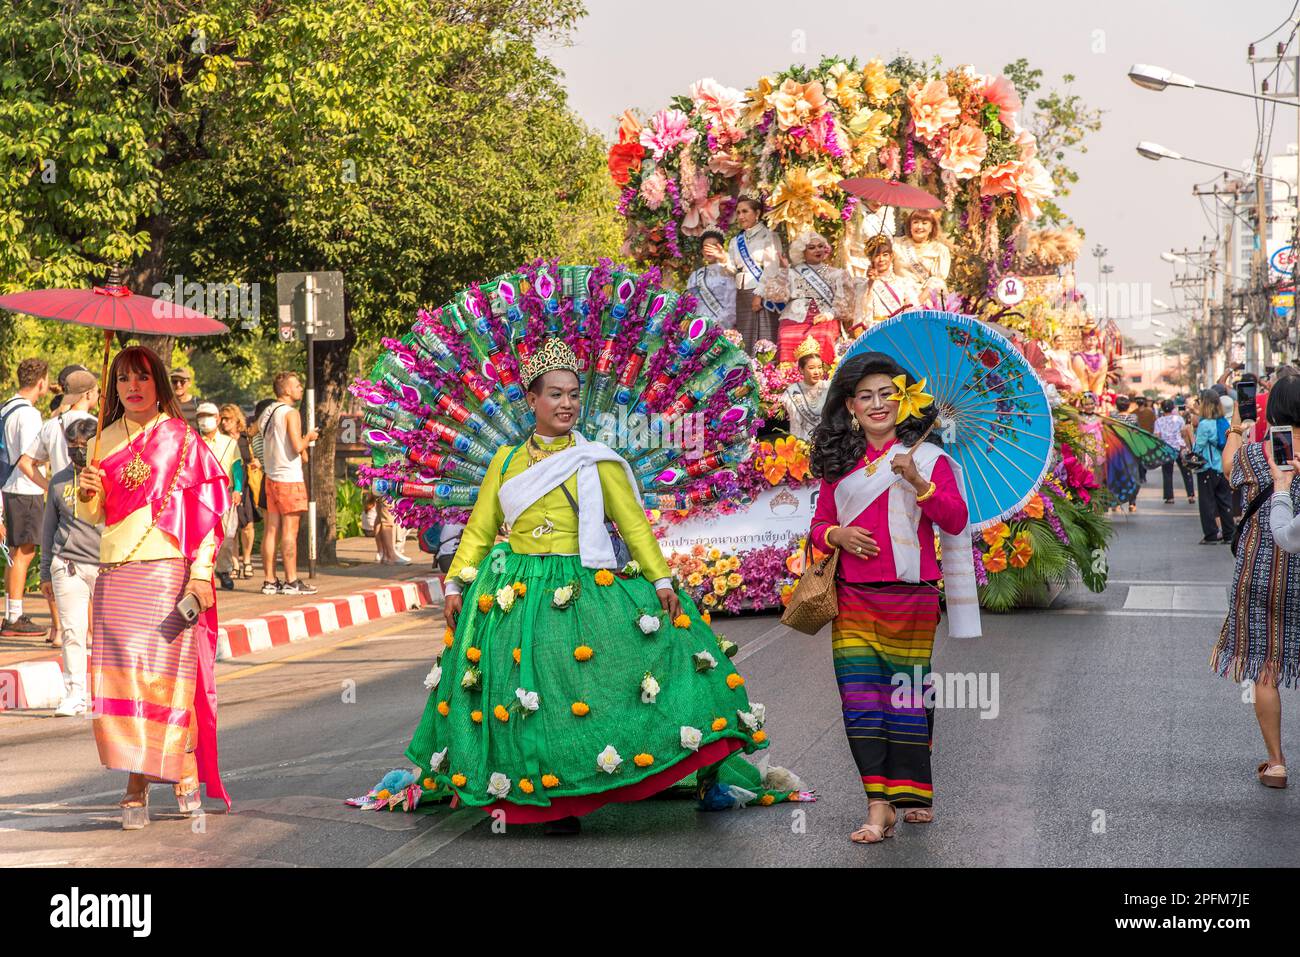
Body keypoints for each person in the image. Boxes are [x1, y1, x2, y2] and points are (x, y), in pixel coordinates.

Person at [390, 338, 794, 833]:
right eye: (555, 394)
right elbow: (479, 528)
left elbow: (634, 525)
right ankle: (540, 795)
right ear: (532, 400)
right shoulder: (505, 461)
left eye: (573, 394)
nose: (566, 404)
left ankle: (581, 790)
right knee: (525, 694)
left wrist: (660, 579)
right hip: (515, 589)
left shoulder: (597, 459)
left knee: (582, 690)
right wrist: (455, 584)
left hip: (582, 584)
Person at [808, 350, 979, 844]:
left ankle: (913, 792)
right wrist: (837, 535)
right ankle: (878, 805)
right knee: (861, 701)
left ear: (904, 401)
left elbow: (955, 519)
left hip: (912, 598)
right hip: (853, 597)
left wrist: (919, 483)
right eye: (866, 396)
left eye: (887, 394)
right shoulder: (840, 464)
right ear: (851, 406)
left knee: (906, 699)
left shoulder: (927, 459)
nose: (877, 404)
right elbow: (818, 526)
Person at [77, 345, 232, 828]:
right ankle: (138, 779)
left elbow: (208, 517)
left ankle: (174, 771)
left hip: (167, 573)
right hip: (116, 573)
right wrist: (87, 491)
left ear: (158, 384)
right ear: (114, 387)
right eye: (123, 379)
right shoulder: (100, 441)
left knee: (165, 683)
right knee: (121, 683)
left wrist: (201, 573)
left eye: (142, 377)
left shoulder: (182, 438)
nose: (133, 387)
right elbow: (94, 515)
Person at [1212, 375, 1300, 790]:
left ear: (1272, 410)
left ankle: (1277, 763)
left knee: (1266, 668)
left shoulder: (1254, 454)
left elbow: (1227, 468)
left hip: (1260, 570)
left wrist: (1237, 424)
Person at [40, 418, 103, 717]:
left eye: (83, 447)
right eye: (72, 447)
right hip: (68, 565)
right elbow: (48, 530)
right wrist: (44, 572)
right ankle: (75, 693)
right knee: (72, 632)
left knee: (109, 633)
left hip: (106, 566)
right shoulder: (59, 481)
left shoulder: (108, 477)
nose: (77, 452)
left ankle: (107, 692)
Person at [0, 358, 52, 637]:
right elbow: (26, 459)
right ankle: (15, 617)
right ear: (41, 382)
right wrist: (47, 485)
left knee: (15, 553)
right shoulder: (29, 414)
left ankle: (12, 613)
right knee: (25, 553)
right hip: (25, 488)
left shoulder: (8, 406)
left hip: (10, 487)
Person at [256, 373, 319, 596]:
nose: (301, 388)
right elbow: (296, 446)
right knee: (290, 531)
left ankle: (269, 580)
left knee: (271, 530)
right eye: (297, 385)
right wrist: (309, 437)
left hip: (271, 476)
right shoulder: (291, 413)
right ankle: (291, 580)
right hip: (289, 479)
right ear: (286, 390)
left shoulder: (267, 413)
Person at [759, 230, 853, 365]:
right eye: (812, 247)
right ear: (802, 251)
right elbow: (775, 296)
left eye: (820, 246)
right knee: (786, 336)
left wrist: (828, 315)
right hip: (795, 316)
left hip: (825, 317)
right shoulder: (792, 273)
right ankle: (789, 374)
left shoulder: (837, 274)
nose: (817, 250)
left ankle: (824, 372)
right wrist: (783, 271)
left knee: (824, 336)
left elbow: (844, 304)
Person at [724, 197, 785, 353]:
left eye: (745, 211)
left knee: (764, 337)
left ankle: (766, 367)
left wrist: (759, 295)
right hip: (743, 295)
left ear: (757, 213)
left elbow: (772, 269)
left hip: (762, 292)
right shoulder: (735, 241)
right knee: (745, 338)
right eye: (738, 212)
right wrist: (721, 259)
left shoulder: (769, 236)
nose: (741, 216)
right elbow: (732, 269)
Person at [198, 402, 244, 591]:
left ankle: (223, 570)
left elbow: (237, 467)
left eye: (208, 415)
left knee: (226, 535)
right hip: (202, 495)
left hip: (225, 493)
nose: (204, 420)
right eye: (201, 416)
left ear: (217, 419)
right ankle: (203, 573)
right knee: (204, 536)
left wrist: (238, 489)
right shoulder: (195, 442)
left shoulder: (229, 443)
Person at [220, 404, 258, 579]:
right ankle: (235, 563)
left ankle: (247, 560)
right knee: (231, 528)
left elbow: (257, 456)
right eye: (222, 419)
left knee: (247, 525)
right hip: (228, 486)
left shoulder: (246, 437)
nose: (224, 422)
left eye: (227, 418)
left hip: (246, 484)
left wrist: (257, 462)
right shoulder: (220, 439)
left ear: (236, 420)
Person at [1192, 388, 1234, 544]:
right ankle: (1229, 534)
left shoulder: (1205, 424)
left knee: (1207, 503)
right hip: (1222, 466)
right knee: (1225, 501)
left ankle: (1211, 534)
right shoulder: (1224, 422)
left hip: (1208, 467)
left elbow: (1198, 447)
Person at [856, 235, 922, 331]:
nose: (881, 259)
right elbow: (863, 313)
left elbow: (913, 310)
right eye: (877, 255)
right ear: (871, 259)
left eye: (885, 254)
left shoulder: (904, 283)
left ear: (891, 256)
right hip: (875, 331)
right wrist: (871, 282)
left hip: (899, 330)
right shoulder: (865, 286)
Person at [892, 209, 951, 299]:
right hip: (900, 294)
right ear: (910, 226)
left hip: (926, 297)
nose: (919, 227)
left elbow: (937, 281)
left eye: (924, 223)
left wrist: (919, 301)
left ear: (931, 227)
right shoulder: (897, 244)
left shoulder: (940, 250)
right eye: (915, 222)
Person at [780, 337, 828, 442]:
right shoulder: (792, 392)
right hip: (799, 445)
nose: (817, 372)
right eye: (811, 368)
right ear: (801, 369)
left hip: (825, 443)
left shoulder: (829, 388)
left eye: (819, 367)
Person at [690, 228, 738, 329]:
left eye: (713, 246)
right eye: (706, 247)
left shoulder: (728, 271)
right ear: (702, 251)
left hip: (722, 327)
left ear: (720, 248)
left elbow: (732, 303)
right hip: (698, 327)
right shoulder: (695, 276)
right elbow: (690, 303)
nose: (709, 250)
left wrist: (717, 325)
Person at [1154, 399, 1194, 504]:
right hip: (1179, 447)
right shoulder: (1179, 419)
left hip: (1166, 449)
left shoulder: (1158, 421)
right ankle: (1190, 495)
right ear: (1173, 408)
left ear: (1162, 409)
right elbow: (1184, 433)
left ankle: (1169, 497)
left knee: (1167, 473)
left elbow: (1157, 436)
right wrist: (1187, 446)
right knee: (1186, 471)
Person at [1071, 328, 1109, 397]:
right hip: (1083, 393)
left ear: (1097, 340)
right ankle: (1086, 398)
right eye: (1088, 339)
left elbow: (1100, 383)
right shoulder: (1078, 358)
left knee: (1098, 389)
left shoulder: (1103, 359)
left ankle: (1097, 398)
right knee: (1084, 389)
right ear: (1083, 340)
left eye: (1094, 339)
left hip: (1097, 393)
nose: (1091, 342)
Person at [169, 366, 199, 431]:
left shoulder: (198, 404)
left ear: (189, 383)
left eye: (182, 381)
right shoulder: (166, 405)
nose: (178, 385)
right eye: (174, 381)